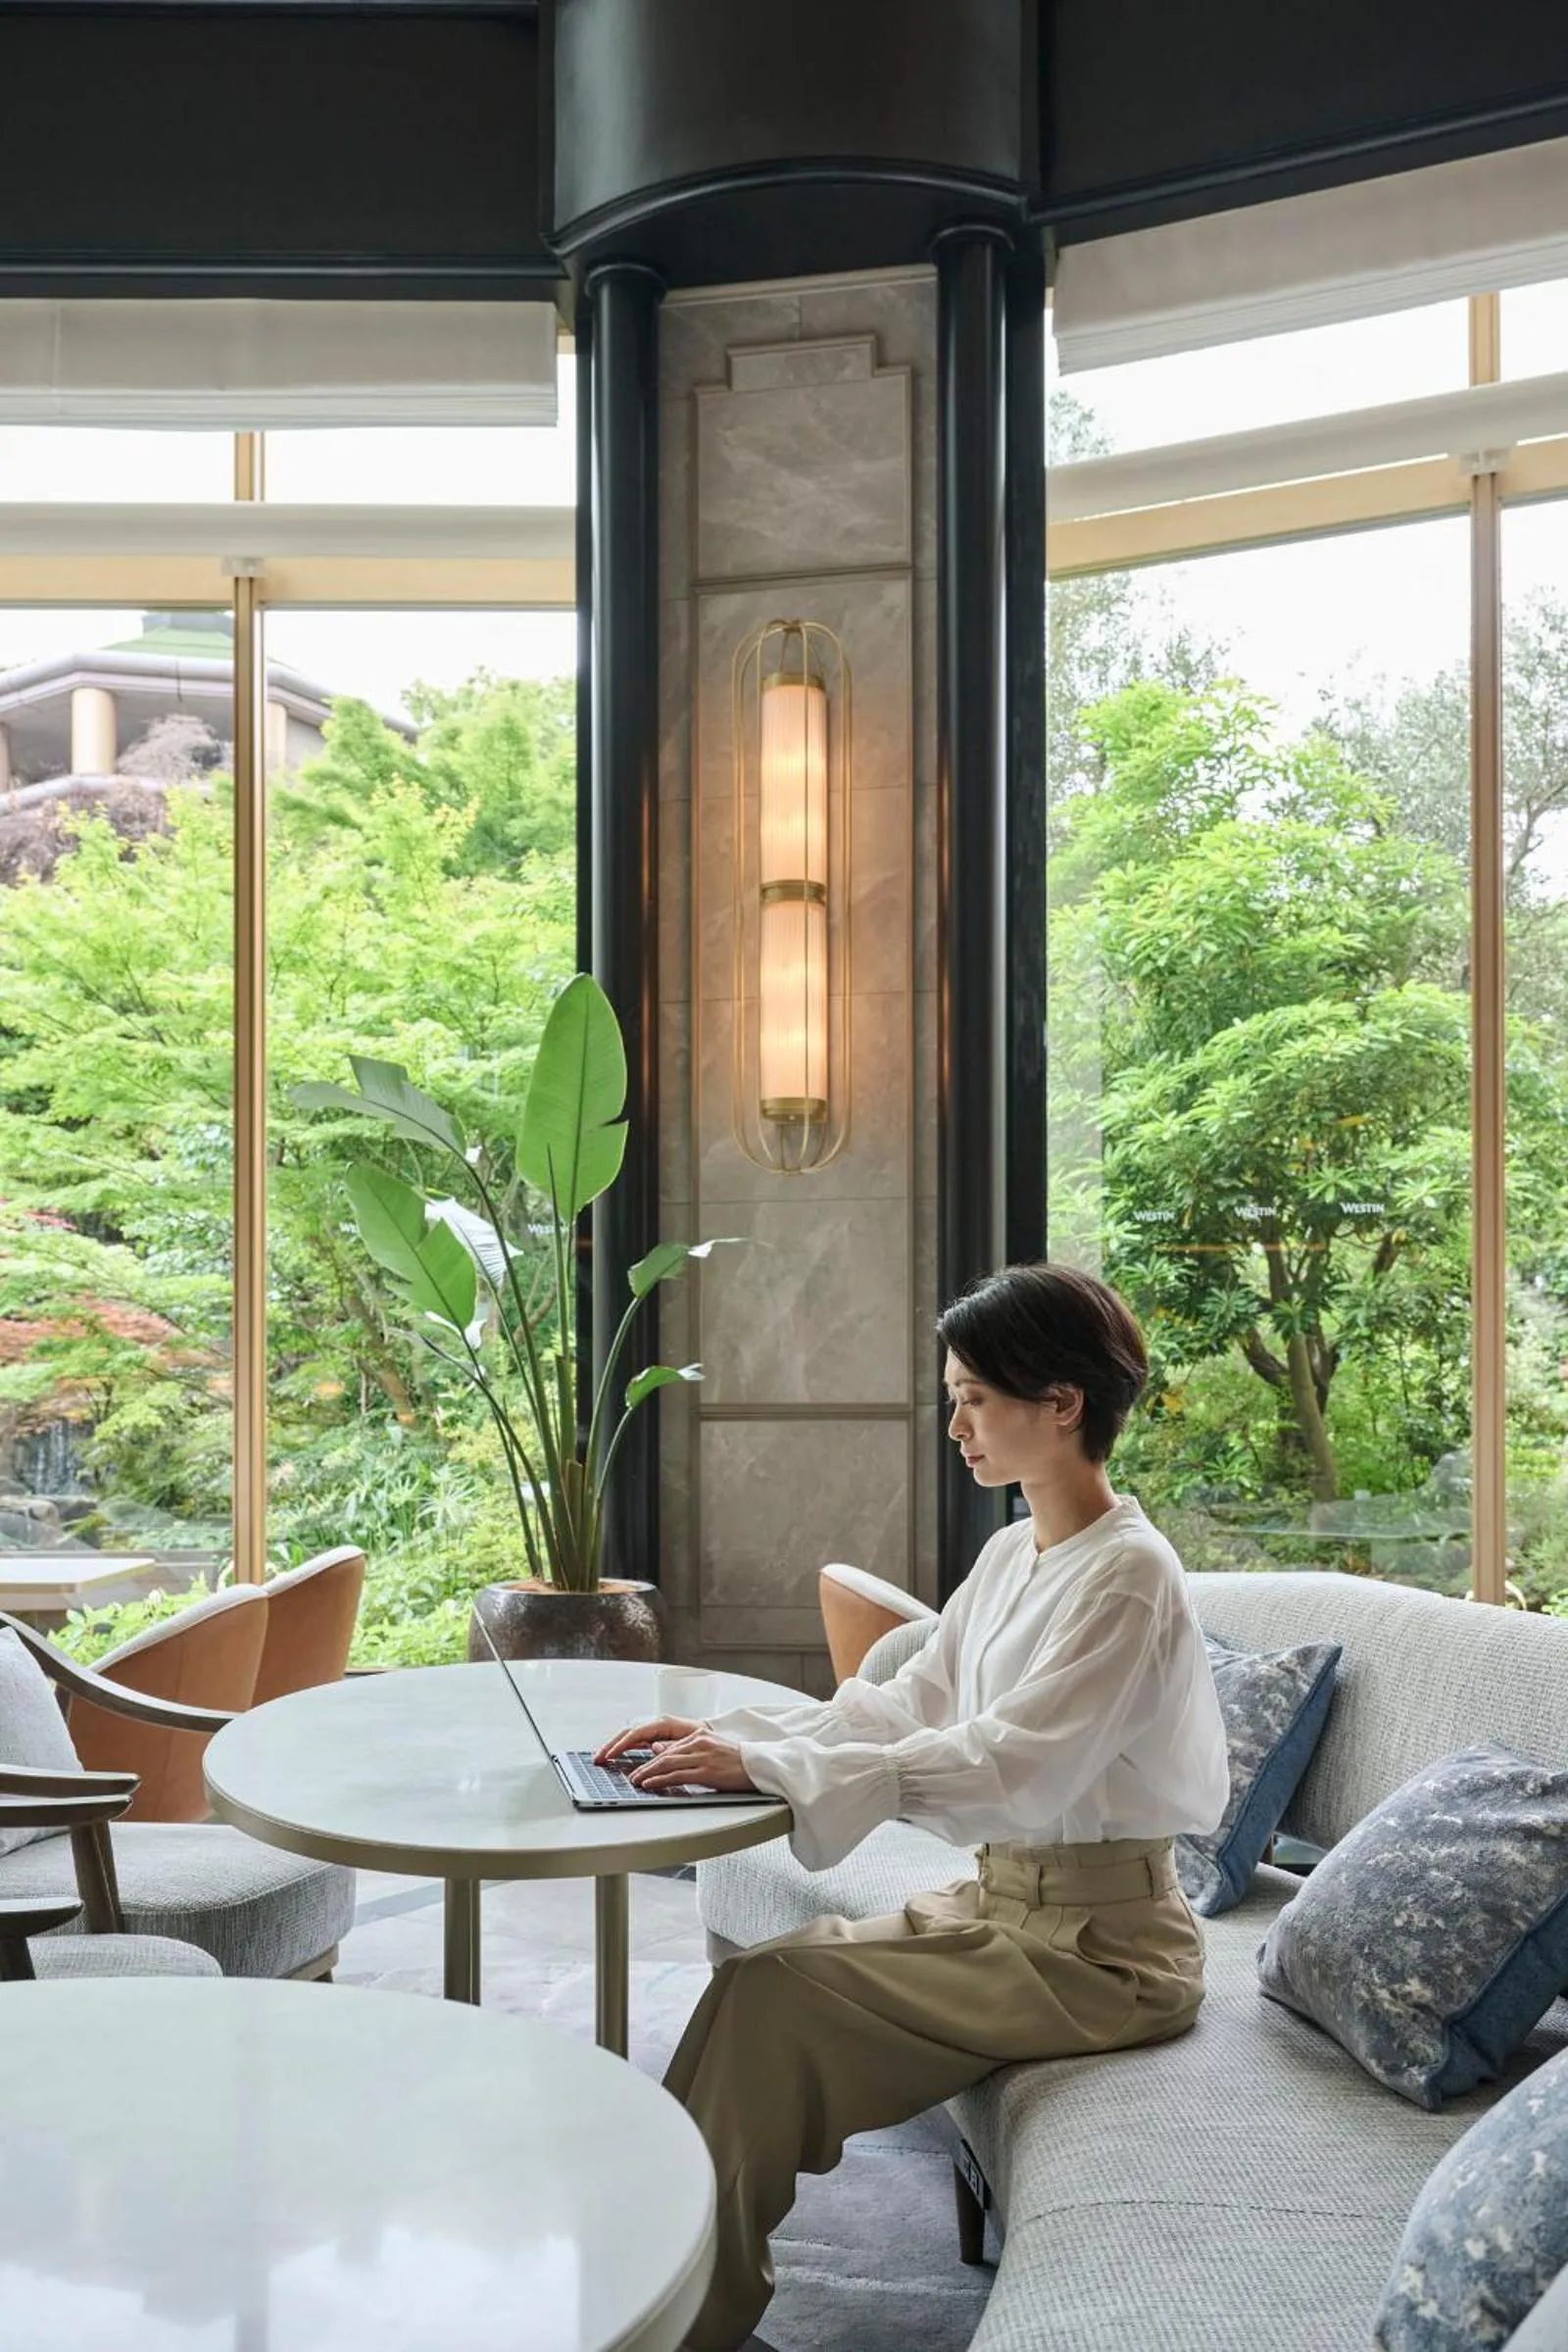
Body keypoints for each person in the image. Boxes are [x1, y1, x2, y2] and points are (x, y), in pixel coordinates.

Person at [595, 1262, 1231, 2352]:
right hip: (1000, 1909)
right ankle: (652, 2291)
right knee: (751, 1992)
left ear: (1063, 1404)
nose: (956, 1426)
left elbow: (1012, 1766)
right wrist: (739, 1744)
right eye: (954, 1401)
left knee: (772, 1997)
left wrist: (772, 1772)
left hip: (1102, 1953)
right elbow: (904, 1704)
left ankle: (681, 2319)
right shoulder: (1012, 1553)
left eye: (974, 1399)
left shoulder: (1128, 1574)